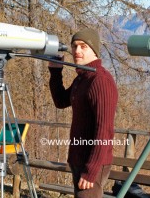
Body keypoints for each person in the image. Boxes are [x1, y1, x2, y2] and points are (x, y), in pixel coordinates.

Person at [48, 28, 118, 198]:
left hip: (92, 162)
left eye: (83, 46)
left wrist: (91, 170)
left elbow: (104, 130)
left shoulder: (99, 80)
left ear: (94, 50)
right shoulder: (83, 77)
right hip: (79, 159)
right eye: (74, 46)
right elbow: (61, 101)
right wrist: (56, 72)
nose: (76, 51)